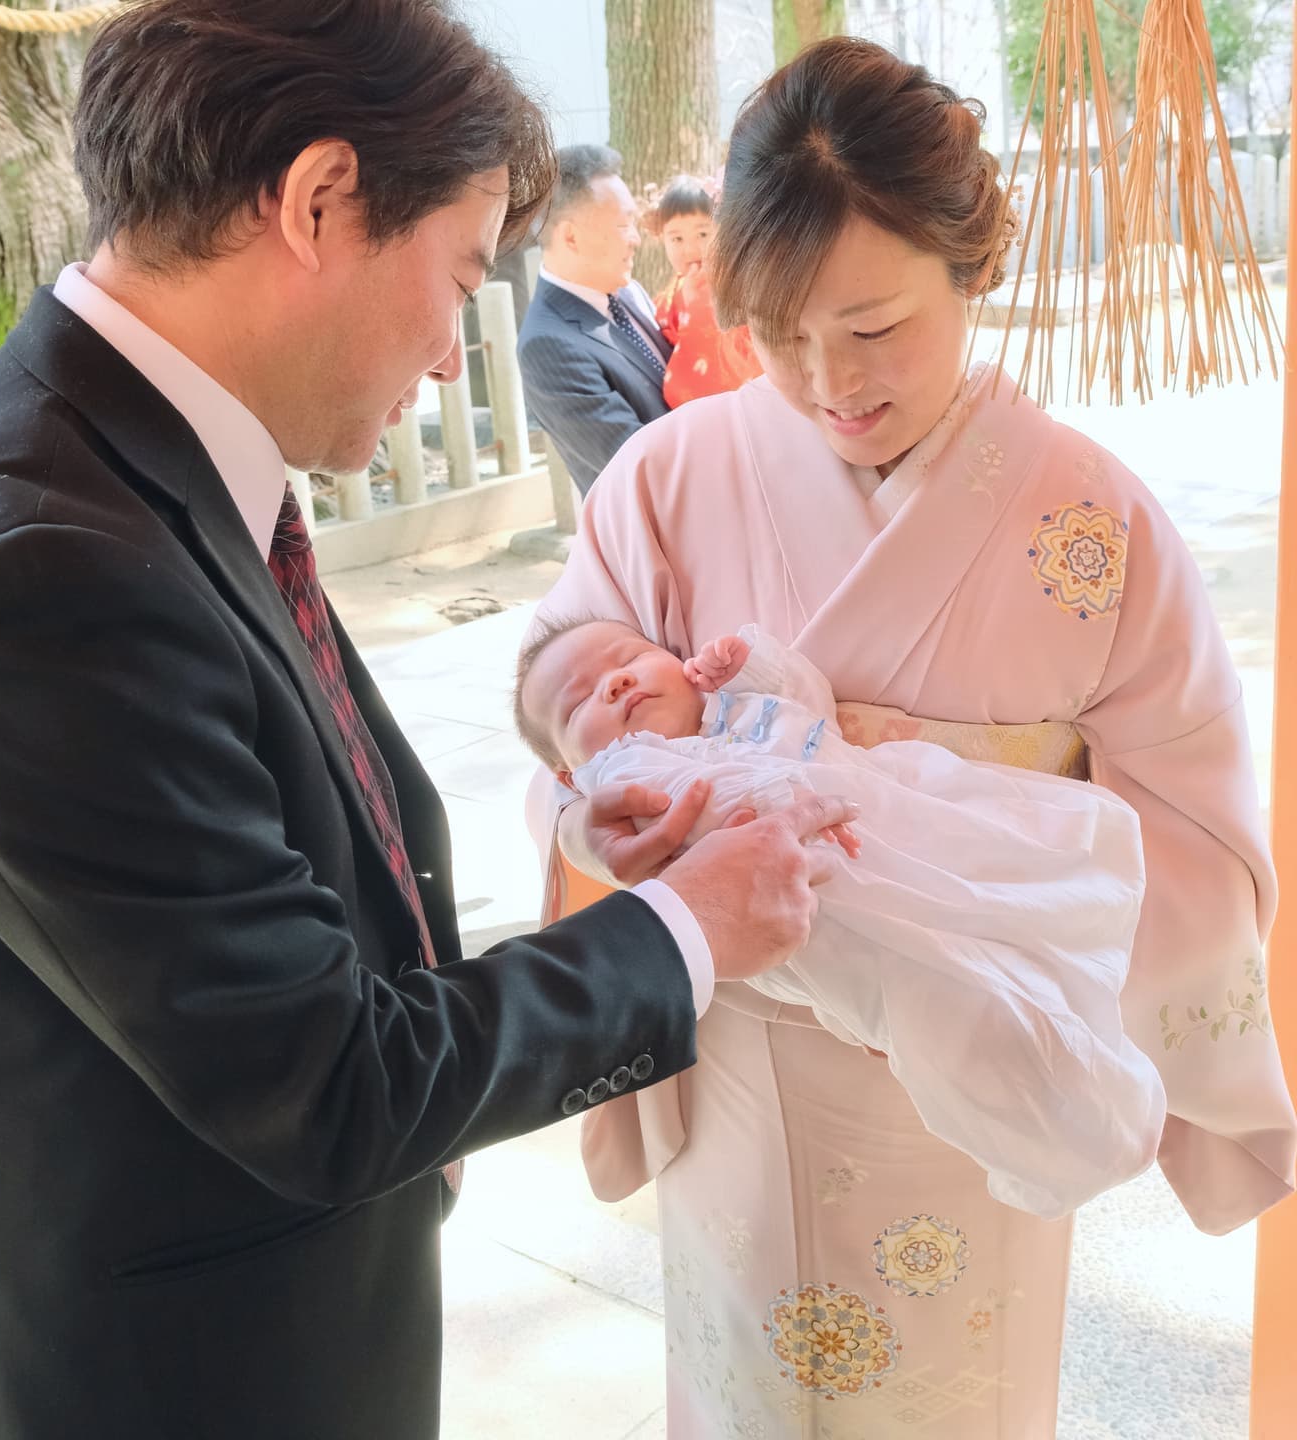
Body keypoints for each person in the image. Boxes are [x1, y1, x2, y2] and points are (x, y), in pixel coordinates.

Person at [0, 5, 862, 1438]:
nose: (454, 355)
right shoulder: (45, 573)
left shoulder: (110, 463)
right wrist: (688, 929)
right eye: (460, 276)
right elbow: (327, 1079)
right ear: (321, 198)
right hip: (148, 1377)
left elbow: (263, 873)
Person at [528, 36, 1297, 1437]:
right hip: (737, 1059)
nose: (830, 379)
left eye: (876, 328)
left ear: (968, 265)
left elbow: (1200, 842)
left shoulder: (1094, 524)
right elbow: (561, 705)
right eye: (780, 332)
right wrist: (606, 781)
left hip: (973, 1090)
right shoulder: (666, 478)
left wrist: (971, 866)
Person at [515, 615, 1165, 1220]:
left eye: (628, 658)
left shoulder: (738, 708)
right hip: (827, 899)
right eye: (578, 702)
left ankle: (1092, 1064)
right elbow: (703, 810)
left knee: (1028, 883)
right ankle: (1080, 1132)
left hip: (902, 816)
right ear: (569, 775)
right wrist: (772, 798)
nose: (614, 683)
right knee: (963, 1002)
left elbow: (809, 703)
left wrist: (752, 665)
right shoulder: (632, 771)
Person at [517, 144, 671, 496]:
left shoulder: (627, 290)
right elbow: (639, 467)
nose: (636, 239)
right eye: (623, 225)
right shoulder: (547, 346)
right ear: (570, 236)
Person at [647, 175, 763, 407]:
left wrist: (699, 305)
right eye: (677, 238)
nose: (690, 249)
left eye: (702, 234)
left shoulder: (741, 285)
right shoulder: (667, 297)